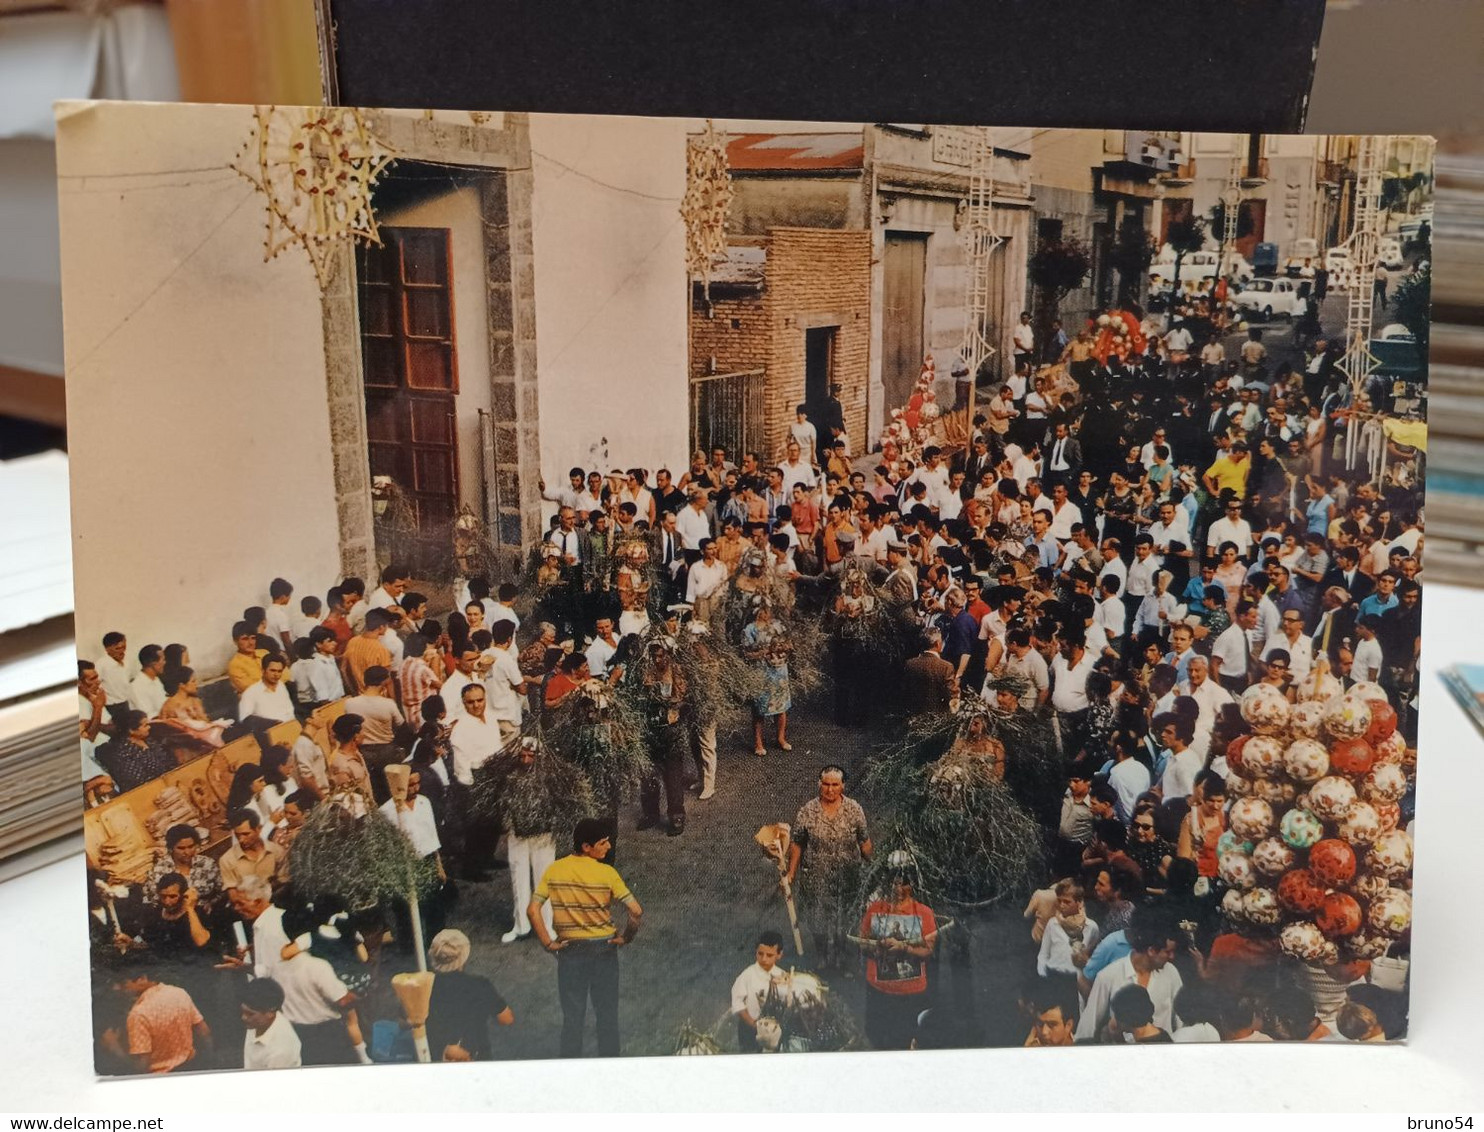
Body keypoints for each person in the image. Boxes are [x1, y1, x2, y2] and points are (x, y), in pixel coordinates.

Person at [528, 817, 643, 1058]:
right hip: (604, 951)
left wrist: (549, 943)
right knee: (607, 1015)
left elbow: (533, 909)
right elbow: (635, 911)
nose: (608, 847)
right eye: (603, 843)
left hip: (571, 953)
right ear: (586, 847)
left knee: (573, 1017)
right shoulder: (607, 873)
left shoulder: (555, 869)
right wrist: (626, 937)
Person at [785, 766, 872, 971]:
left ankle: (843, 958)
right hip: (817, 878)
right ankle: (823, 957)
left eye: (835, 784)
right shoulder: (807, 811)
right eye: (826, 784)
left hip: (848, 878)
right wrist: (790, 873)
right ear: (819, 784)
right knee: (818, 921)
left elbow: (864, 841)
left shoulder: (854, 809)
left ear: (843, 786)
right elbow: (797, 843)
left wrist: (875, 866)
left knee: (845, 920)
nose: (830, 789)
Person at [857, 865, 938, 1050]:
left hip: (910, 993)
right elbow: (862, 942)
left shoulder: (924, 912)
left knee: (905, 1038)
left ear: (913, 885)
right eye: (895, 883)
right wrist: (876, 948)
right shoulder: (876, 909)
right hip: (879, 989)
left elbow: (928, 951)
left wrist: (904, 948)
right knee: (876, 1035)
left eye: (904, 884)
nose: (899, 889)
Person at [1075, 907, 1183, 1041]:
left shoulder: (1171, 974)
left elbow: (1181, 1023)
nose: (1172, 957)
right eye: (1168, 952)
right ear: (1151, 951)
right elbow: (1087, 1028)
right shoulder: (1108, 976)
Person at [426, 928, 514, 1061]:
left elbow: (405, 1022)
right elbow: (506, 1019)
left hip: (436, 1057)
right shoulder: (479, 985)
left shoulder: (425, 986)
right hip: (476, 1055)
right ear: (464, 957)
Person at [113, 966, 210, 1073]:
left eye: (123, 983)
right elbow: (204, 1031)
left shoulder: (138, 1015)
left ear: (142, 979)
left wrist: (115, 1048)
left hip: (161, 1077)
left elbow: (142, 1065)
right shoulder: (179, 993)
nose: (116, 988)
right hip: (191, 1066)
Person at [742, 602, 793, 755]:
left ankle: (781, 738)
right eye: (764, 610)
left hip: (779, 672)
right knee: (760, 709)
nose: (767, 613)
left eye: (769, 610)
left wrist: (785, 648)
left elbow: (788, 643)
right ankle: (758, 743)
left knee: (782, 707)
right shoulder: (750, 629)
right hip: (762, 673)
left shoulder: (777, 625)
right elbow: (746, 653)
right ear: (757, 611)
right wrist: (762, 653)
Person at [730, 930, 791, 1053]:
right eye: (760, 954)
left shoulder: (782, 975)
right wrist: (752, 1024)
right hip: (750, 1029)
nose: (763, 959)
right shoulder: (748, 975)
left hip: (774, 1031)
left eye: (769, 955)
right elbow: (737, 1002)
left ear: (779, 955)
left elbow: (787, 1001)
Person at [240, 977, 302, 1070]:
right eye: (243, 1011)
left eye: (250, 1014)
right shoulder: (256, 1022)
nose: (243, 1017)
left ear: (270, 1013)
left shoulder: (281, 1050)